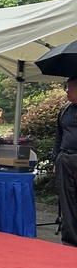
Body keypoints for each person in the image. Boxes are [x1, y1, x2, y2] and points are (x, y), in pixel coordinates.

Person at [53, 76, 77, 246]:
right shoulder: (64, 110)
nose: (67, 91)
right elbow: (58, 136)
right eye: (66, 87)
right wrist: (56, 159)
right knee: (67, 201)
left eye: (70, 88)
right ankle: (70, 241)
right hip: (65, 158)